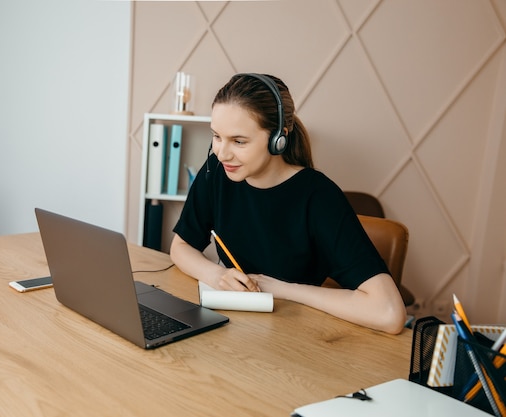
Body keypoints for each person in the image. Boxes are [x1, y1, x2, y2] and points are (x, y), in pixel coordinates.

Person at [170, 73, 407, 334]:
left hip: (296, 336)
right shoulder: (217, 170)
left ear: (278, 139)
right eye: (216, 136)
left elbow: (389, 312)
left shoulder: (319, 196)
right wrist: (216, 276)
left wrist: (283, 290)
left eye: (238, 141)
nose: (222, 152)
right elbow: (181, 246)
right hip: (233, 329)